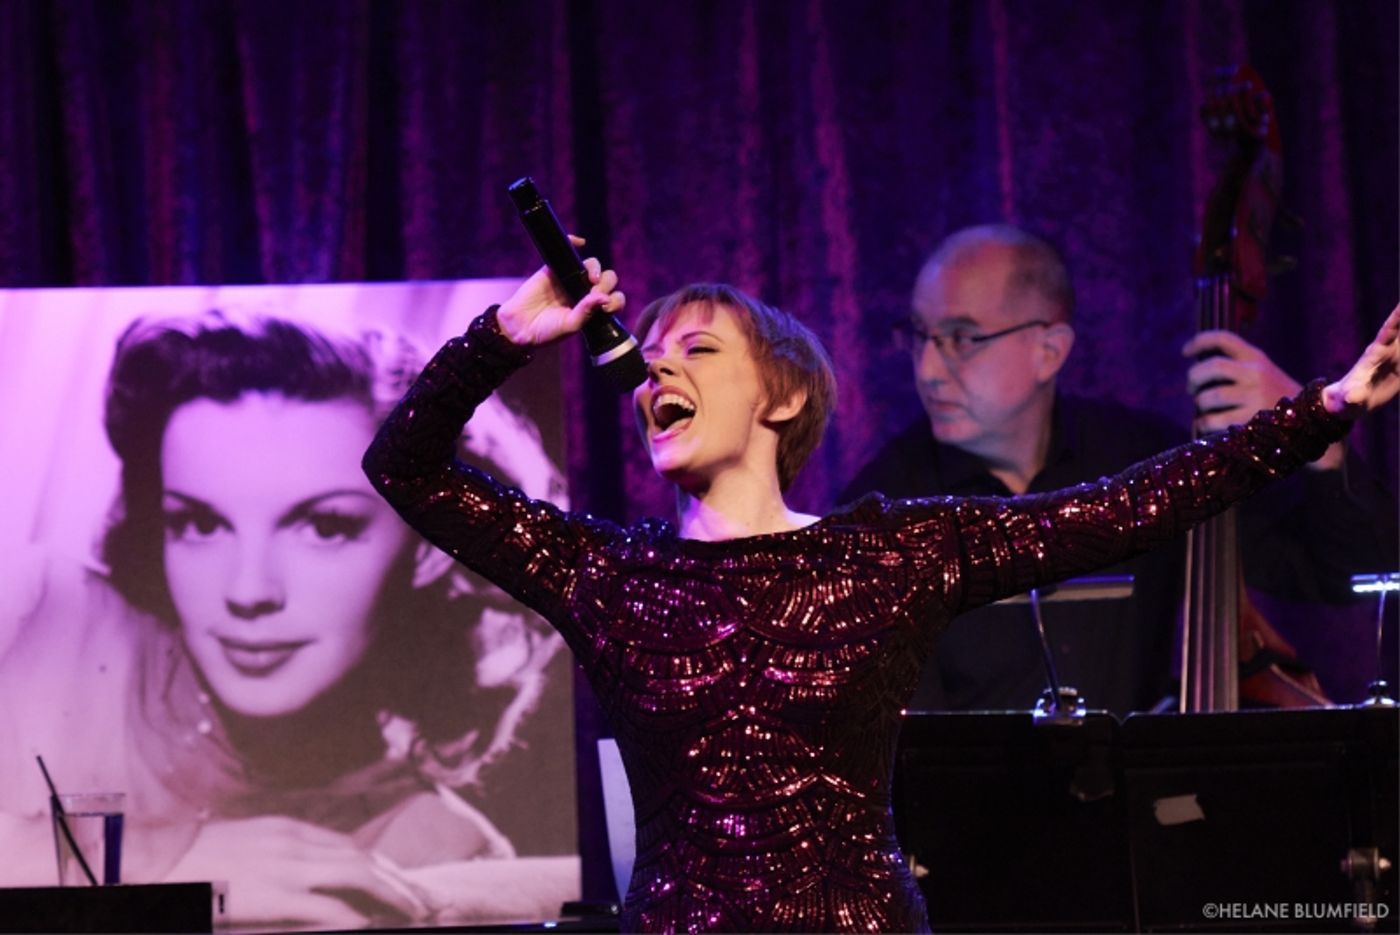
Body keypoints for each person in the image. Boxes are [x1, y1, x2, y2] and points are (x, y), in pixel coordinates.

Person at [361, 248, 1398, 932]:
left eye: (699, 349)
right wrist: (505, 329)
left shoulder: (888, 554)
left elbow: (1127, 507)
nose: (653, 375)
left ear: (786, 395)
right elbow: (404, 466)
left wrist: (1323, 407)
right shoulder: (609, 575)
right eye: (650, 360)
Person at [0, 310, 576, 929]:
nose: (248, 592)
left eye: (325, 528)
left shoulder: (443, 851)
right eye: (198, 524)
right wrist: (165, 863)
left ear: (430, 549)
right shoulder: (36, 611)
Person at [840, 225, 1397, 714]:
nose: (928, 370)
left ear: (1050, 350)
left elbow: (1352, 572)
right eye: (920, 336)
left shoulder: (1147, 462)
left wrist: (1320, 439)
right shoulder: (882, 509)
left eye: (961, 338)